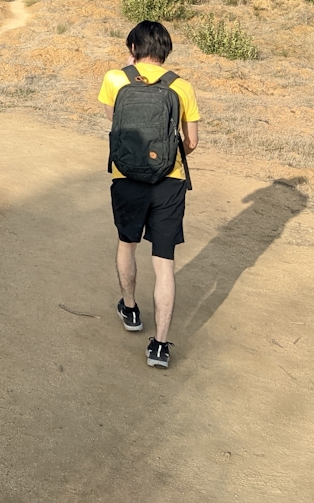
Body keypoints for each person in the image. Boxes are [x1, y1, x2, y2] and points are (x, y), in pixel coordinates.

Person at [98, 20, 200, 369]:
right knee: (164, 263)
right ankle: (159, 346)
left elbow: (117, 128)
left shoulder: (115, 79)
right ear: (165, 50)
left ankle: (130, 309)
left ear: (133, 49)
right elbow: (192, 142)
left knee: (127, 244)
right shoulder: (182, 86)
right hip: (168, 182)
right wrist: (166, 156)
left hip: (126, 176)